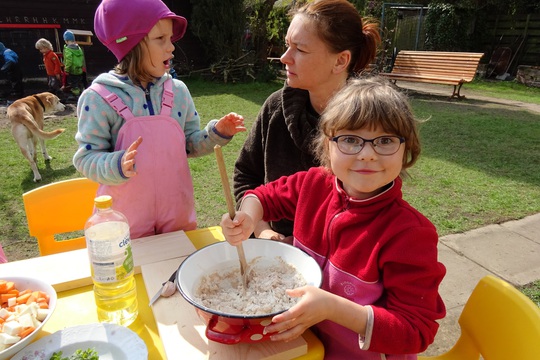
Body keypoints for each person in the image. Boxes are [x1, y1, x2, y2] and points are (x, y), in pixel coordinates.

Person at [221, 77, 446, 359]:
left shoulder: (410, 234)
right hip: (302, 348)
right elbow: (262, 197)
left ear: (407, 150)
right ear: (327, 145)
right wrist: (247, 218)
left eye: (385, 141)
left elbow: (416, 331)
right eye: (350, 139)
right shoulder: (313, 184)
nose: (367, 154)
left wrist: (332, 308)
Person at [73, 0, 245, 240]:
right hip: (125, 222)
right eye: (160, 39)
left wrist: (216, 132)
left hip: (176, 214)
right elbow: (86, 158)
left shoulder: (178, 92)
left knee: (178, 272)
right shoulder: (98, 98)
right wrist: (116, 164)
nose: (171, 48)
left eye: (170, 39)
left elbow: (189, 144)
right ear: (131, 45)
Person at [233, 0, 380, 241]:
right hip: (270, 253)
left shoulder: (370, 122)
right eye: (287, 46)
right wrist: (263, 231)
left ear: (340, 61)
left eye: (300, 49)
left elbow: (370, 211)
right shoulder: (275, 108)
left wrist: (307, 245)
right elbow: (246, 175)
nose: (284, 58)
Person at [62, 30, 86, 98]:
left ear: (66, 41)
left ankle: (76, 95)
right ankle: (81, 92)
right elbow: (82, 58)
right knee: (79, 82)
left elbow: (69, 61)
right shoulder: (79, 48)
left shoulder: (68, 50)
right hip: (79, 69)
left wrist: (67, 69)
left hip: (72, 70)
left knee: (73, 84)